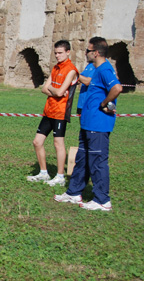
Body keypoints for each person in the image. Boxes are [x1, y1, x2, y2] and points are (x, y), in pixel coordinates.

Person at [54, 37, 122, 211]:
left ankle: (102, 200)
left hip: (98, 125)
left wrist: (103, 103)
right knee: (82, 159)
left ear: (96, 53)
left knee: (98, 162)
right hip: (88, 123)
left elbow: (117, 88)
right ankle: (74, 192)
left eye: (88, 50)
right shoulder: (96, 69)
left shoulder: (105, 69)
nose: (86, 53)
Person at [27, 40, 79, 186]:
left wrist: (55, 91)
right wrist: (55, 92)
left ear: (68, 52)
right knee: (37, 142)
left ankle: (60, 176)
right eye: (55, 53)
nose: (57, 55)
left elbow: (61, 92)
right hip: (49, 110)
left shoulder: (71, 70)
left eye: (60, 53)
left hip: (60, 112)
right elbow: (44, 88)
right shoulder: (55, 68)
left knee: (58, 143)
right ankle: (43, 173)